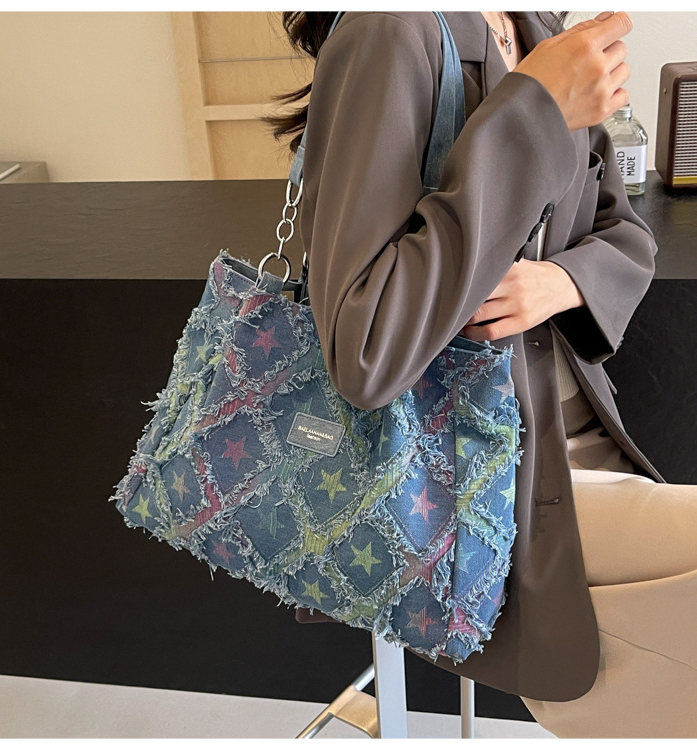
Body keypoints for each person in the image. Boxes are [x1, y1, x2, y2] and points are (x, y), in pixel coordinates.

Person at [262, 11, 697, 738]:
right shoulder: (388, 32)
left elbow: (626, 233)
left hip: (576, 441)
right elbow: (365, 349)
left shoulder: (536, 24)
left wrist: (562, 281)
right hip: (467, 477)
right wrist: (532, 111)